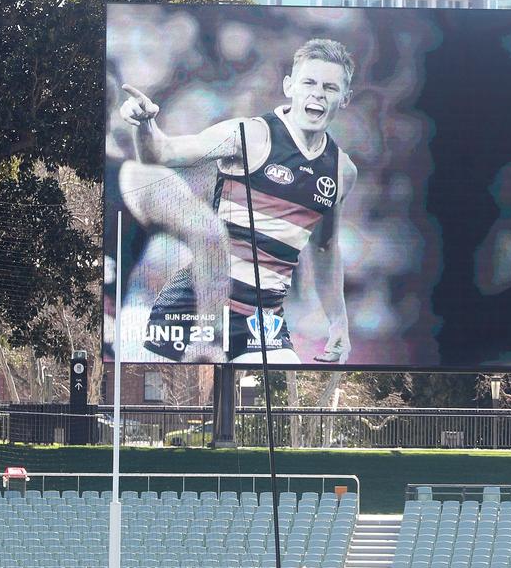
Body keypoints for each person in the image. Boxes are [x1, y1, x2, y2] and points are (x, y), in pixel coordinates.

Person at [119, 38, 358, 365]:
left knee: (285, 396)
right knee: (163, 404)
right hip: (197, 309)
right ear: (290, 86)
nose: (317, 93)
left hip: (262, 321)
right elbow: (161, 153)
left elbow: (324, 248)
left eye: (330, 87)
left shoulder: (341, 170)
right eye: (309, 83)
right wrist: (145, 124)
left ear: (345, 98)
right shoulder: (250, 135)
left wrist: (338, 322)